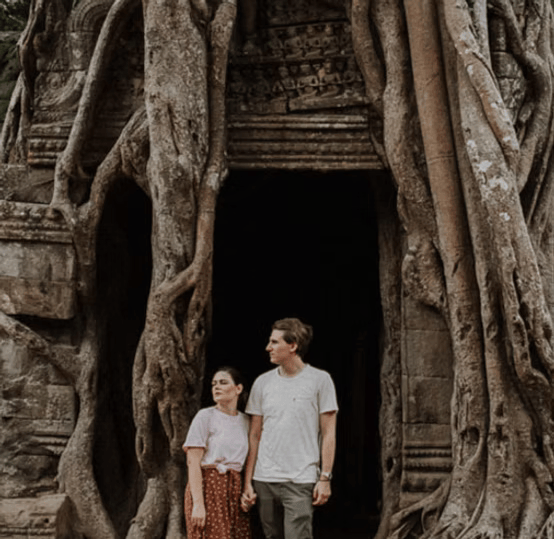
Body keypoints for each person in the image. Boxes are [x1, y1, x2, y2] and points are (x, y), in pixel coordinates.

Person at [242, 318, 338, 539]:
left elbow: (329, 433)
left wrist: (325, 478)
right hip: (264, 479)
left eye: (275, 342)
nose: (268, 348)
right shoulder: (262, 383)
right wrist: (248, 481)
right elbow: (254, 435)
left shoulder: (320, 380)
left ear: (293, 345)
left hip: (301, 479)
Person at [183, 367, 251, 539]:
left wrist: (246, 491)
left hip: (234, 488)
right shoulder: (205, 416)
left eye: (223, 382)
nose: (216, 387)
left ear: (238, 389)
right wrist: (198, 504)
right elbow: (193, 462)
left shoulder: (246, 421)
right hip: (208, 486)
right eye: (214, 384)